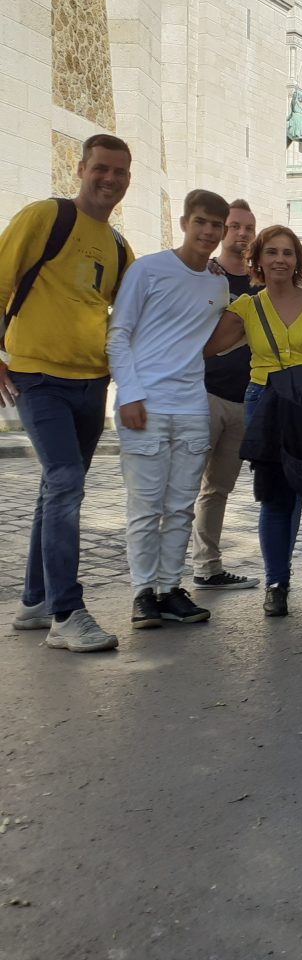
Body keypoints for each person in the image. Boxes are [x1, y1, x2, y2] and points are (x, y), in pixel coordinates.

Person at [0, 133, 134, 652]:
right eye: (101, 168)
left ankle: (35, 601)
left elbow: (132, 311)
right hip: (37, 376)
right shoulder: (45, 217)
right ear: (81, 169)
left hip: (90, 383)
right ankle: (66, 613)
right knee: (65, 482)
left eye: (120, 172)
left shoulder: (120, 248)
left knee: (54, 489)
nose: (110, 180)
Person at [204, 224, 302, 617]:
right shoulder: (247, 308)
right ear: (259, 260)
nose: (280, 260)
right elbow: (209, 346)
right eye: (272, 252)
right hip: (266, 402)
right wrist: (206, 282)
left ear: (297, 260)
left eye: (287, 253)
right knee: (276, 499)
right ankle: (276, 585)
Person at [108, 190, 231, 629]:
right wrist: (131, 394)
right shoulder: (147, 269)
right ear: (184, 222)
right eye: (201, 222)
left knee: (180, 506)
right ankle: (143, 593)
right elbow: (118, 334)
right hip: (147, 405)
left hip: (192, 406)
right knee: (145, 506)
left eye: (216, 225)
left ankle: (168, 588)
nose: (208, 231)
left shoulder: (218, 283)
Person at [190, 198, 260, 591]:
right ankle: (162, 581)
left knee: (218, 487)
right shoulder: (205, 275)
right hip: (204, 394)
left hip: (244, 400)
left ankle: (207, 566)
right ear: (223, 230)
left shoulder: (261, 283)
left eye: (248, 228)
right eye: (235, 226)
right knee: (185, 485)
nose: (242, 233)